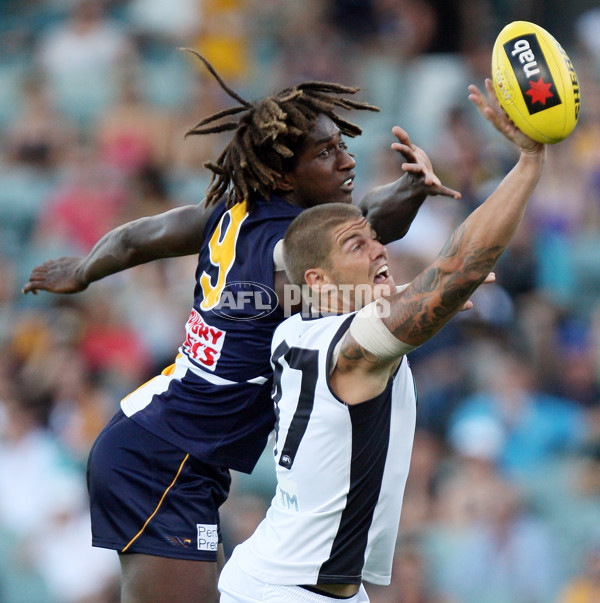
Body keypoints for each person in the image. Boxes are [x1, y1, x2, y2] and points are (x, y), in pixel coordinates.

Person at [22, 51, 459, 603]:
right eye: (325, 152)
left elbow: (138, 238)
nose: (346, 161)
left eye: (343, 147)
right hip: (162, 459)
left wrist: (83, 270)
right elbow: (371, 222)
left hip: (167, 445)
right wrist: (412, 216)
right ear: (282, 171)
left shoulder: (227, 213)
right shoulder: (292, 246)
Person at [217, 78, 547, 603]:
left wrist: (422, 298)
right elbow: (460, 266)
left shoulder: (297, 326)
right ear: (321, 281)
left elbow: (334, 300)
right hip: (290, 591)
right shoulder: (349, 346)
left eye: (376, 241)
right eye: (356, 245)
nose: (379, 253)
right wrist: (528, 163)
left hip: (303, 584)